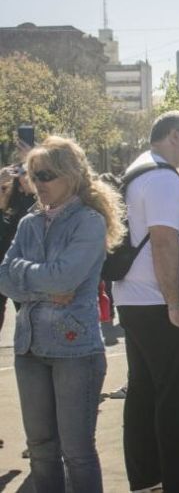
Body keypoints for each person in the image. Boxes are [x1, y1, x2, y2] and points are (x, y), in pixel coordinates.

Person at [0, 136, 125, 493]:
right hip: (29, 348)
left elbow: (65, 277)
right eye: (32, 175)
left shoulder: (88, 221)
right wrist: (44, 282)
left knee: (77, 453)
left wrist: (29, 276)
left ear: (70, 175)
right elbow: (4, 278)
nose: (37, 183)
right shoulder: (28, 222)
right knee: (40, 451)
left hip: (75, 351)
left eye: (46, 175)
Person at [113, 110, 179, 493]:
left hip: (136, 299)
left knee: (144, 393)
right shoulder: (163, 179)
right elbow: (164, 241)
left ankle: (147, 479)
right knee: (177, 397)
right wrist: (176, 303)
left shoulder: (139, 171)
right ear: (171, 135)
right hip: (160, 303)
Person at [0, 164, 36, 333]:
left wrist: (32, 188)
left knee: (30, 318)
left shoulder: (35, 202)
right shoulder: (6, 204)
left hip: (25, 270)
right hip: (3, 267)